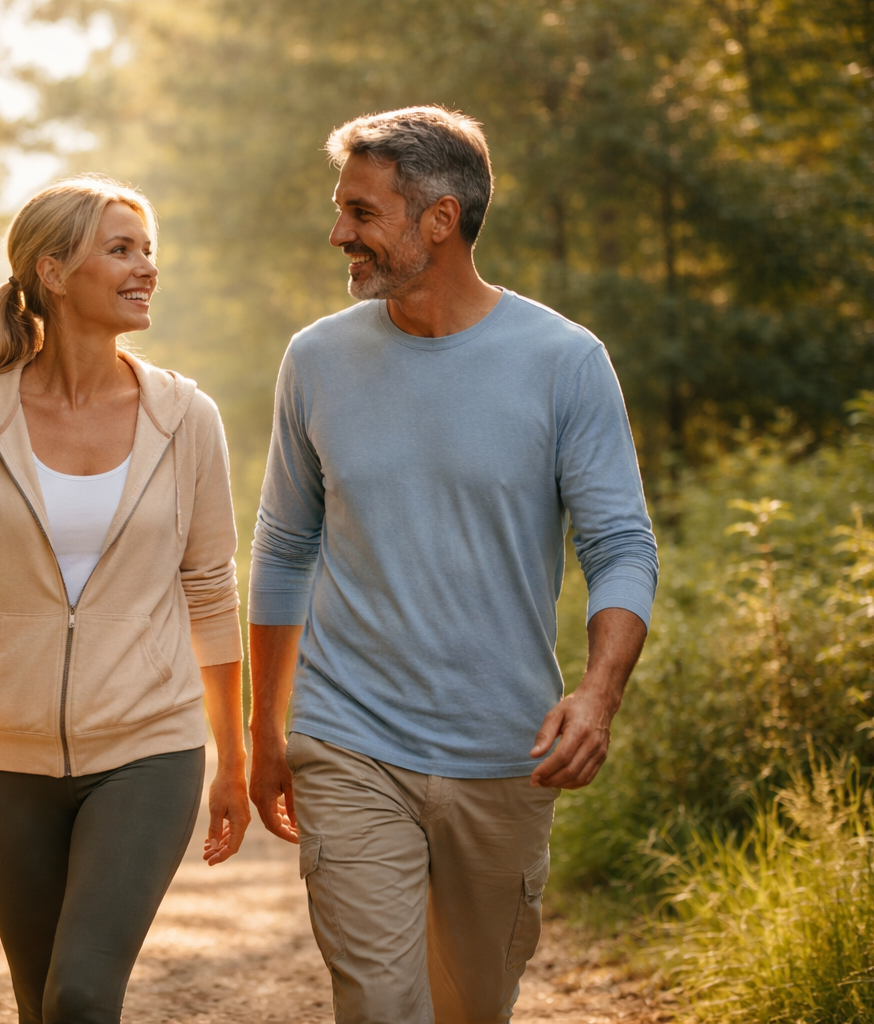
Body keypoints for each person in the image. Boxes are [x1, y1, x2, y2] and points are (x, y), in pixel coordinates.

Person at [246, 107, 660, 1023]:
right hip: (349, 738)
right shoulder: (315, 360)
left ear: (439, 218)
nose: (338, 231)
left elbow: (621, 544)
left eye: (361, 211)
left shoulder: (564, 361)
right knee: (383, 1007)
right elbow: (282, 547)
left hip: (503, 751)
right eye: (339, 208)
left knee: (473, 1006)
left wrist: (598, 695)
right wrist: (266, 729)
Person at [0, 176, 250, 1024]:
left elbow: (211, 591)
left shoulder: (186, 418)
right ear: (51, 270)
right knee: (42, 1001)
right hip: (2, 761)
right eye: (120, 250)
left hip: (149, 750)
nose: (145, 268)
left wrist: (236, 755)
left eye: (148, 250)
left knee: (82, 994)